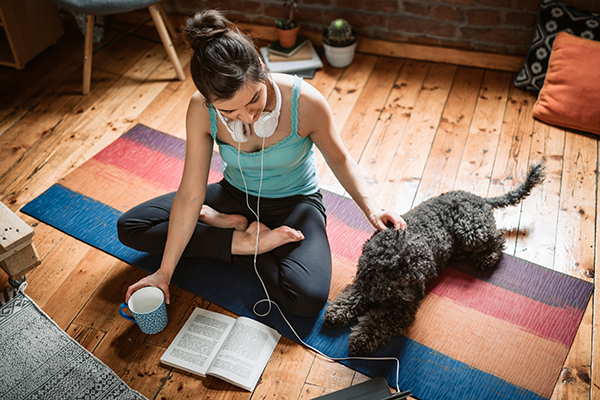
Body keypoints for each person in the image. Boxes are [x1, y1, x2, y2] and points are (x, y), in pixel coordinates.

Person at [117, 9, 406, 318]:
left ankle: (235, 241)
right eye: (230, 113)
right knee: (131, 227)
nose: (248, 118)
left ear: (262, 68)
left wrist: (372, 208)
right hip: (233, 196)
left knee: (306, 299)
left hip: (295, 203)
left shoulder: (305, 102)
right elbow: (190, 194)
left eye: (253, 101)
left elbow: (340, 159)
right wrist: (164, 273)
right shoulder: (200, 110)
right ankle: (245, 243)